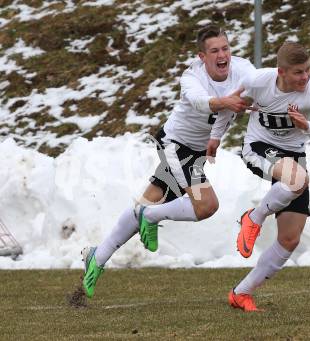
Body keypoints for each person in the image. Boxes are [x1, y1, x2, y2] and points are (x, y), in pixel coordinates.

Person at [81, 25, 255, 298]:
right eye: (214, 51)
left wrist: (217, 137)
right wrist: (226, 103)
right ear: (202, 56)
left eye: (225, 48)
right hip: (175, 146)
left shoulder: (244, 70)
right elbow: (202, 102)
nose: (222, 55)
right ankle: (149, 217)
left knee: (147, 200)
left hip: (195, 152)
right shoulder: (191, 77)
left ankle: (97, 256)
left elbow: (260, 88)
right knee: (206, 205)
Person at [213, 41, 310, 311]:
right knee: (298, 179)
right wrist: (215, 136)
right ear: (280, 72)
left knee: (289, 239)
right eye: (298, 72)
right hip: (258, 148)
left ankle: (241, 293)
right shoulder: (259, 80)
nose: (305, 77)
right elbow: (230, 104)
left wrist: (307, 126)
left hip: (292, 156)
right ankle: (255, 217)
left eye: (308, 69)